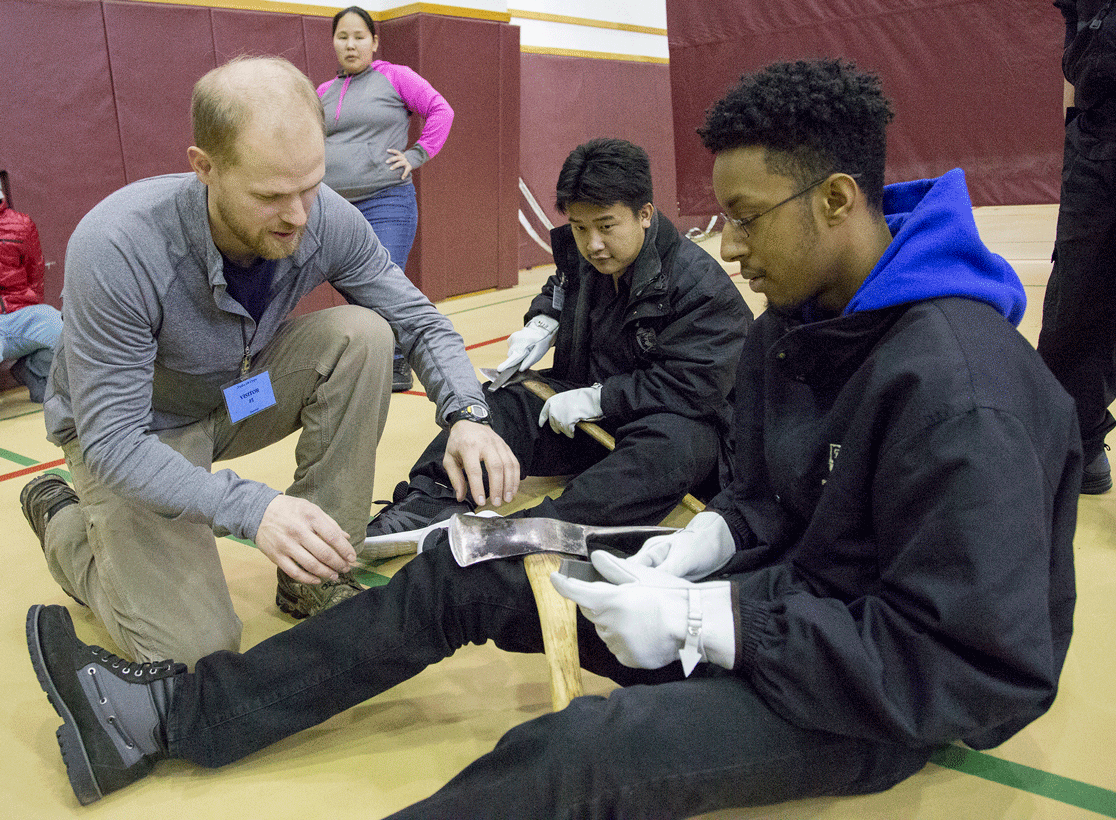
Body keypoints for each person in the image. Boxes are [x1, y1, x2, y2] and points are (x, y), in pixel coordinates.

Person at [25, 59, 1079, 816]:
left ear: (839, 199)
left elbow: (978, 671)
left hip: (868, 691)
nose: (731, 243)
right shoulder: (805, 320)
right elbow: (778, 496)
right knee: (472, 562)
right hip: (768, 593)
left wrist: (718, 622)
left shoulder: (963, 393)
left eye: (748, 216)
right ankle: (167, 717)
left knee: (582, 754)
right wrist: (710, 542)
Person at [19, 56, 517, 668]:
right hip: (135, 437)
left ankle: (314, 569)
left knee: (362, 336)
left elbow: (417, 319)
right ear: (204, 168)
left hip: (231, 402)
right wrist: (254, 509)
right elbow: (114, 439)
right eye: (271, 196)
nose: (299, 216)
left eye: (310, 186)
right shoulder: (120, 246)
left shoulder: (321, 215)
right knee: (191, 654)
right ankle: (65, 523)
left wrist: (468, 414)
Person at [364, 137, 751, 556]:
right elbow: (559, 286)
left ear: (644, 215)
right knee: (502, 402)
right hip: (589, 412)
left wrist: (602, 398)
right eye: (581, 228)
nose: (593, 244)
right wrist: (543, 318)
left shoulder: (701, 287)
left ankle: (536, 530)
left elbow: (697, 386)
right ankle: (430, 499)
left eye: (606, 226)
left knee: (673, 448)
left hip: (668, 422)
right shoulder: (587, 258)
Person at [319, 5, 455, 393]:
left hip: (386, 202)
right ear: (333, 42)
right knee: (353, 286)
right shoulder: (324, 93)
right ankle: (384, 354)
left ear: (375, 42)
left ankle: (396, 363)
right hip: (335, 209)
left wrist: (416, 155)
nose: (351, 44)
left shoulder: (395, 77)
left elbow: (440, 110)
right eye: (342, 37)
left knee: (382, 283)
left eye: (359, 36)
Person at [1037, 0, 1116, 493]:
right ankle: (1075, 437)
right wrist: (1074, 131)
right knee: (1078, 293)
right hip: (1097, 133)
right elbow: (1076, 36)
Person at [0, 188, 62, 403]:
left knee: (64, 330)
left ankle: (32, 371)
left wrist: (29, 303)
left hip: (20, 314)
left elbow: (34, 271)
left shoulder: (21, 224)